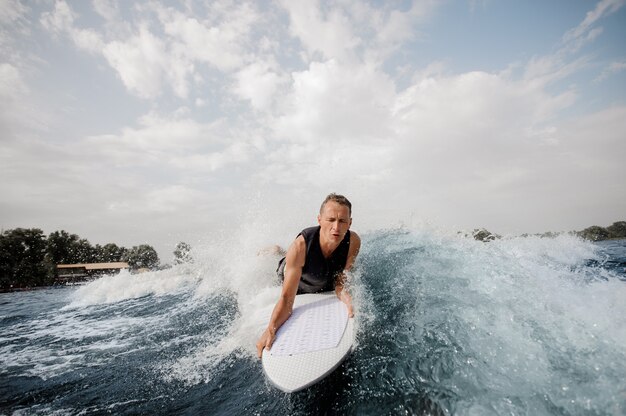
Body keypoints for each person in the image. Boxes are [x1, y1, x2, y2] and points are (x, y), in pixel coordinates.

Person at [256, 193, 361, 358]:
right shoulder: (301, 245)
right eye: (330, 220)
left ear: (350, 222)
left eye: (342, 221)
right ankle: (278, 252)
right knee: (290, 262)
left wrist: (346, 297)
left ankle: (281, 251)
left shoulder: (353, 241)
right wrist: (271, 329)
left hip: (321, 277)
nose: (336, 227)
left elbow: (341, 280)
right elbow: (287, 298)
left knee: (321, 274)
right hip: (295, 277)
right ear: (319, 220)